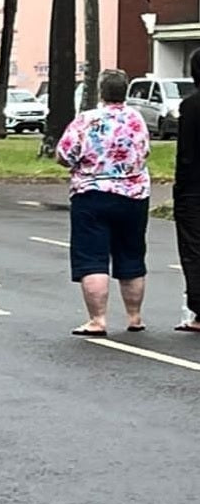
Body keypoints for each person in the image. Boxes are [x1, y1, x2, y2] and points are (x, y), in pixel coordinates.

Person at [56, 68, 151, 336]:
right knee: (132, 256)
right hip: (134, 195)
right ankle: (134, 316)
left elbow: (65, 154)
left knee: (93, 258)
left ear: (100, 91)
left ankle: (97, 320)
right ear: (125, 91)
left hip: (92, 194)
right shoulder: (137, 119)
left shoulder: (86, 121)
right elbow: (145, 151)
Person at [173, 48, 200, 332]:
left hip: (194, 188)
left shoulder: (190, 106)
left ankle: (199, 310)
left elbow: (186, 154)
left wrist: (180, 190)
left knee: (193, 249)